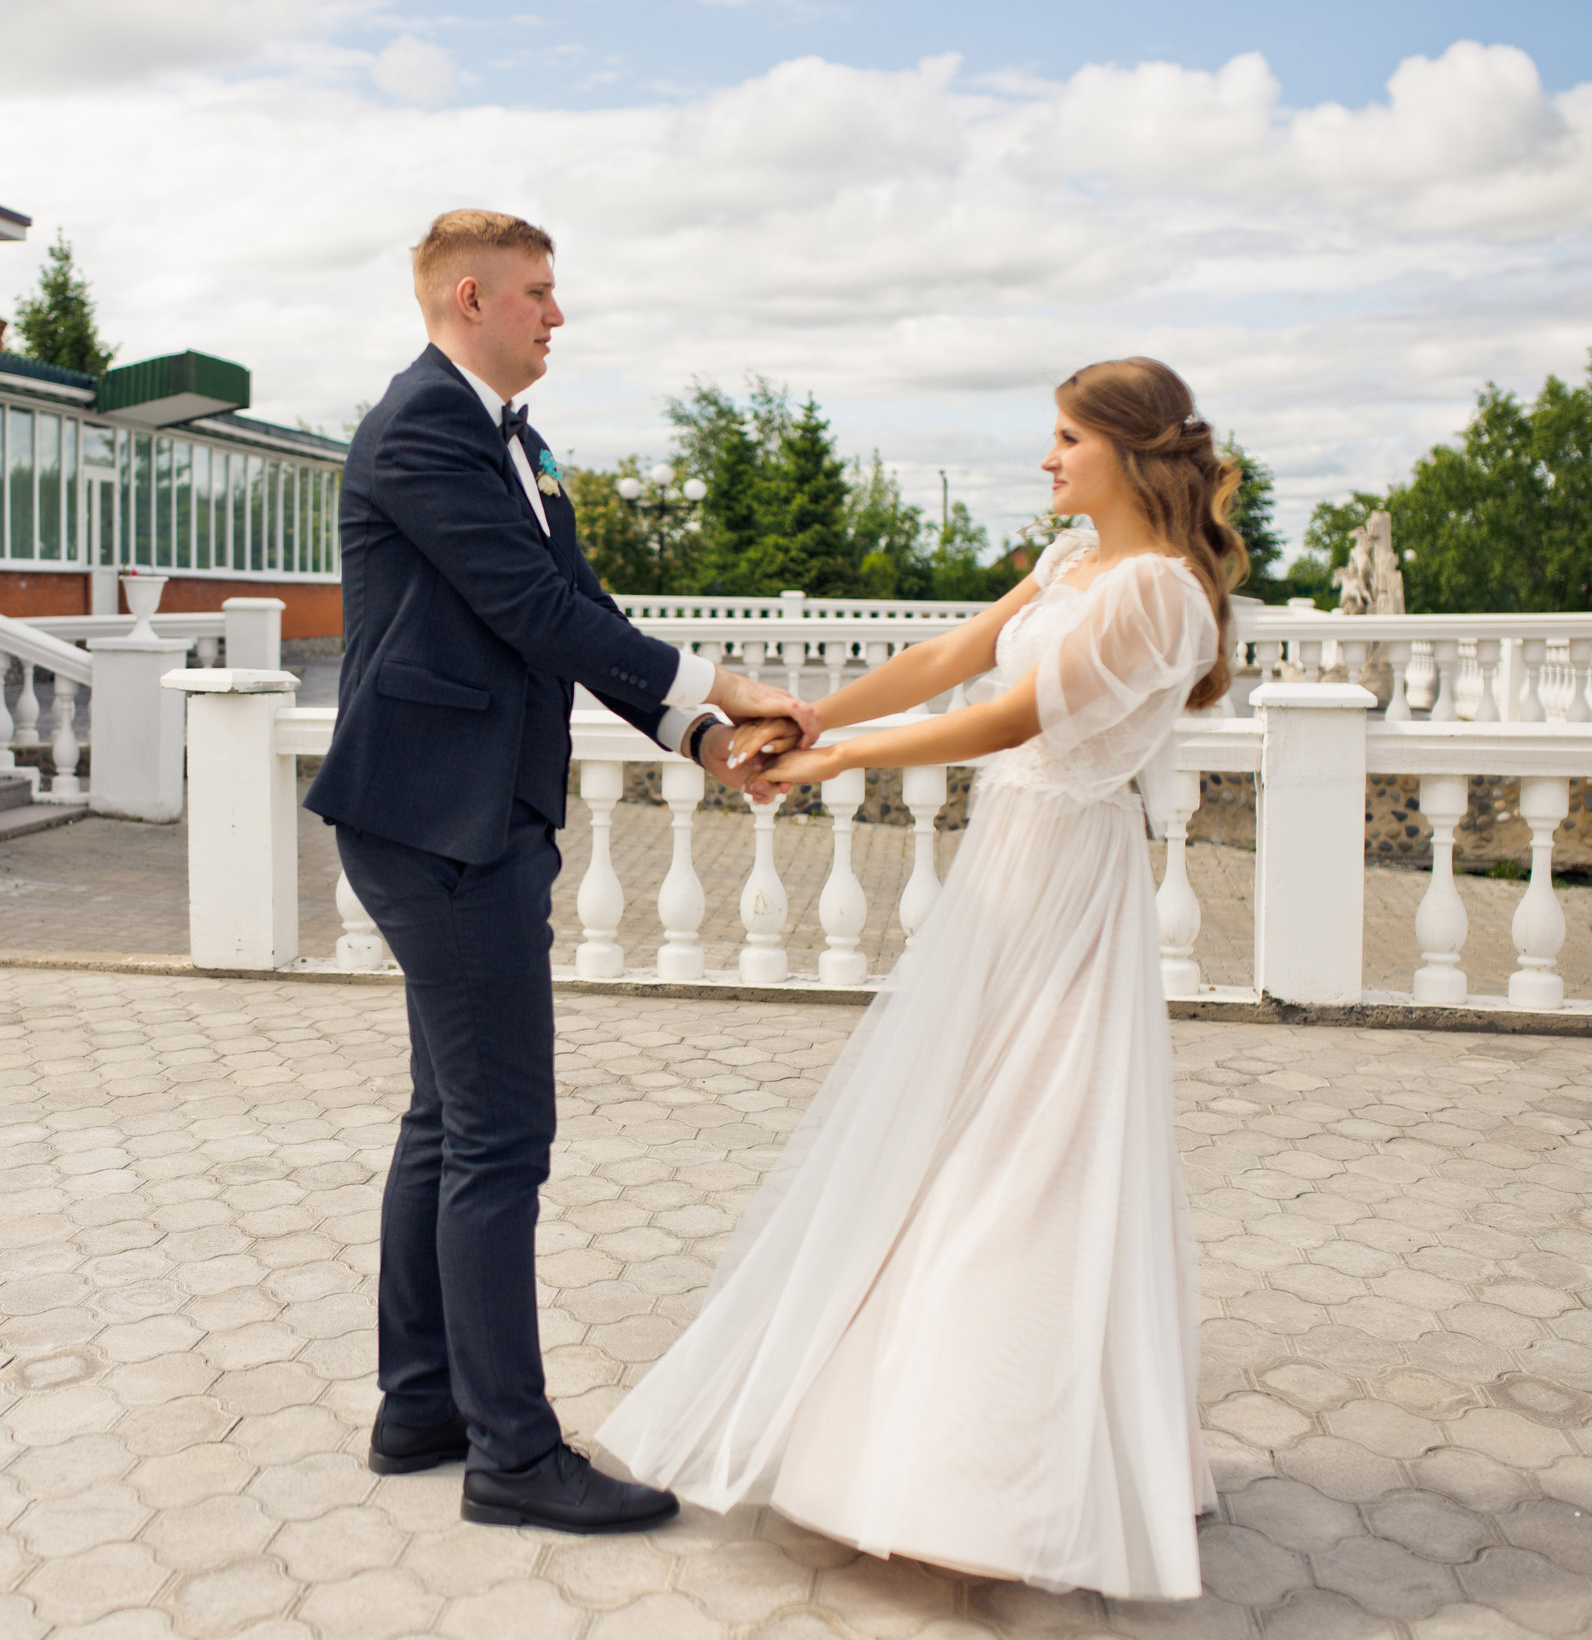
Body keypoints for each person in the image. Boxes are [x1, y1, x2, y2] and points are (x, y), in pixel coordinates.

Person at [595, 356, 1242, 1600]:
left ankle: (999, 1483)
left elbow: (1014, 722)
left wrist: (843, 765)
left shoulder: (1160, 593)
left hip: (1064, 870)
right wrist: (808, 720)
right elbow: (954, 655)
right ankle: (911, 1448)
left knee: (1032, 1145)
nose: (1046, 458)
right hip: (1009, 865)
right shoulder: (1068, 567)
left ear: (1127, 450)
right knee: (952, 1133)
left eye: (1065, 437)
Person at [304, 210, 819, 1534]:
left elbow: (577, 620)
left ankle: (423, 1401)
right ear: (468, 296)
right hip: (439, 823)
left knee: (447, 1118)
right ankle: (513, 1454)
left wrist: (699, 732)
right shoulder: (424, 427)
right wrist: (734, 682)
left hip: (463, 816)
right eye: (539, 293)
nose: (558, 314)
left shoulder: (505, 442)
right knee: (498, 1136)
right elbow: (531, 614)